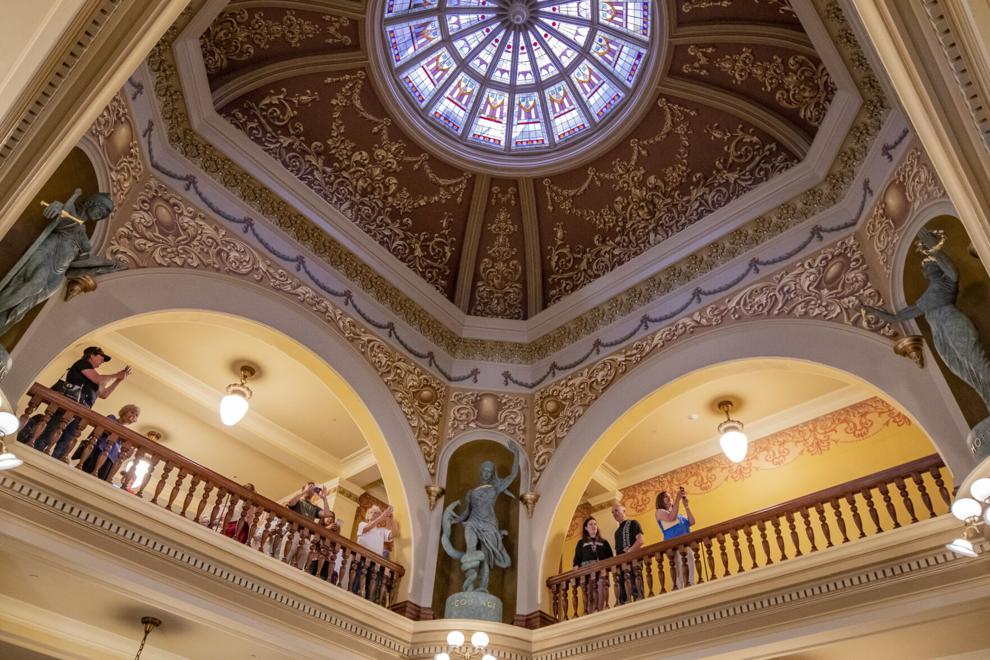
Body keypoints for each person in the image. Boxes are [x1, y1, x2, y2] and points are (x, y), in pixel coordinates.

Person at [33, 347, 131, 458]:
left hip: (83, 409)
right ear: (91, 355)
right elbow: (98, 379)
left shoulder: (95, 378)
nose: (103, 361)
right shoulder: (82, 363)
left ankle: (57, 458)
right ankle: (36, 449)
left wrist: (118, 380)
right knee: (53, 428)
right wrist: (117, 375)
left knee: (67, 437)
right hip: (70, 403)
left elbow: (104, 394)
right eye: (102, 357)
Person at [73, 403, 140, 481]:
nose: (133, 416)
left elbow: (123, 452)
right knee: (84, 476)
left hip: (110, 460)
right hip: (98, 451)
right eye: (132, 412)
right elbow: (106, 430)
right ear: (125, 411)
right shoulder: (112, 417)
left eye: (136, 415)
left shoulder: (126, 433)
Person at [656, 487, 697, 589]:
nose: (669, 498)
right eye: (666, 497)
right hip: (673, 547)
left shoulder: (680, 516)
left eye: (670, 496)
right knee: (678, 570)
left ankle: (690, 586)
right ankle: (679, 589)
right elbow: (671, 517)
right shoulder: (659, 512)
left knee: (689, 568)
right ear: (661, 500)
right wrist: (678, 498)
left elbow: (692, 522)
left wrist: (686, 506)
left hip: (685, 545)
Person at [352, 505, 395, 599]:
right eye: (371, 512)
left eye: (376, 513)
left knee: (371, 587)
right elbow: (367, 528)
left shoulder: (382, 530)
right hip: (362, 557)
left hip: (376, 562)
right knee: (356, 582)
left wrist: (391, 519)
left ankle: (369, 602)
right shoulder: (362, 524)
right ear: (367, 516)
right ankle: (352, 596)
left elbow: (393, 535)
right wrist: (383, 516)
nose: (373, 514)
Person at [572, 516, 614, 613]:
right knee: (589, 594)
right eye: (591, 524)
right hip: (587, 571)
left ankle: (601, 612)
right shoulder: (581, 543)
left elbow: (611, 558)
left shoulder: (604, 542)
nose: (594, 526)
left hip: (601, 570)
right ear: (586, 528)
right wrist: (576, 567)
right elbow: (577, 559)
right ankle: (591, 613)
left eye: (595, 524)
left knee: (601, 592)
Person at [611, 503, 644, 604]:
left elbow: (640, 540)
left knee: (637, 592)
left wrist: (629, 552)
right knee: (624, 595)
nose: (614, 513)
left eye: (616, 510)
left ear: (624, 511)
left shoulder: (633, 523)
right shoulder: (616, 532)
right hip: (622, 566)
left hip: (633, 562)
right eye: (612, 512)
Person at [307, 511, 342, 584]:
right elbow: (314, 539)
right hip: (315, 558)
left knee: (321, 583)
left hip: (327, 561)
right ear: (323, 517)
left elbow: (335, 545)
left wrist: (337, 531)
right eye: (328, 516)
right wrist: (327, 528)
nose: (330, 519)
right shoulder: (318, 526)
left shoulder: (333, 531)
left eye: (332, 517)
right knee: (309, 580)